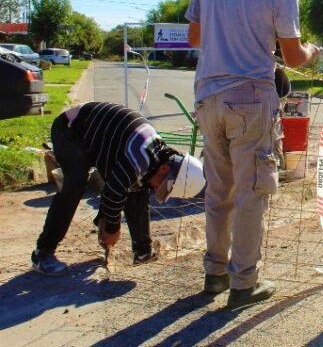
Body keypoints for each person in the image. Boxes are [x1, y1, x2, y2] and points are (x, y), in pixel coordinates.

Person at [186, 0, 320, 310]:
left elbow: (195, 38)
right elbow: (293, 58)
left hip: (207, 98)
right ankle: (244, 283)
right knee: (252, 192)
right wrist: (310, 51)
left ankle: (215, 274)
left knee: (218, 190)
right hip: (250, 99)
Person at [31, 102, 206, 275]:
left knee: (139, 188)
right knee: (74, 184)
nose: (157, 188)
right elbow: (113, 192)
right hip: (71, 129)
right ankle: (43, 252)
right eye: (162, 186)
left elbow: (124, 188)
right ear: (165, 169)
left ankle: (143, 252)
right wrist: (112, 228)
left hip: (103, 142)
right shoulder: (140, 156)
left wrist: (106, 219)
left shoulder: (158, 157)